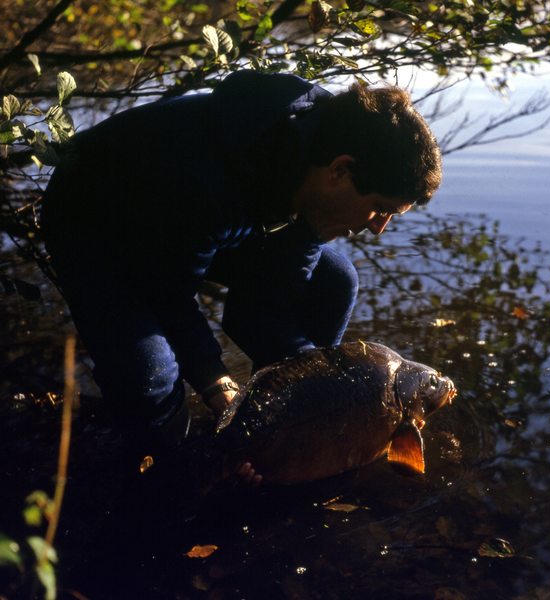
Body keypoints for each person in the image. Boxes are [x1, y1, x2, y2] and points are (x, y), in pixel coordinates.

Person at [41, 69, 442, 480]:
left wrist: (325, 386)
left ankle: (291, 435)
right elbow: (169, 297)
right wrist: (219, 387)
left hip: (191, 226)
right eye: (381, 209)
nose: (379, 228)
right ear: (340, 171)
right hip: (97, 220)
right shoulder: (202, 180)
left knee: (335, 280)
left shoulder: (317, 159)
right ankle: (152, 470)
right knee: (153, 385)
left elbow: (262, 309)